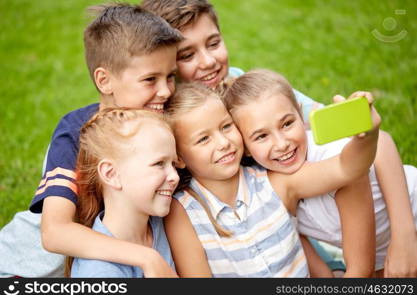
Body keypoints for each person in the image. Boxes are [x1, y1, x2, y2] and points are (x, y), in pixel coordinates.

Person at [0, 3, 183, 277]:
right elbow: (54, 233)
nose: (165, 90)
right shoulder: (76, 132)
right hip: (29, 271)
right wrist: (147, 257)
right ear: (104, 80)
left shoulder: (159, 124)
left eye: (170, 77)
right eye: (150, 79)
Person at [162, 81, 380, 277]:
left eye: (226, 127)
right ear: (179, 158)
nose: (223, 143)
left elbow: (346, 168)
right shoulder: (183, 211)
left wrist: (367, 135)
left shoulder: (273, 182)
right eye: (203, 139)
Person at [223, 69, 417, 277]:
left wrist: (366, 135)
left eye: (287, 123)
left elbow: (361, 271)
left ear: (300, 114)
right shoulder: (267, 190)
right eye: (261, 136)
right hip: (382, 252)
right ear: (245, 147)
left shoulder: (335, 158)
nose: (282, 144)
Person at [140, 0, 324, 122]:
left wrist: (344, 112)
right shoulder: (161, 112)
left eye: (213, 43)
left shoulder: (238, 81)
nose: (208, 62)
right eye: (187, 56)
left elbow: (311, 113)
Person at [69, 108, 179, 277]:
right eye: (159, 163)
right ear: (111, 174)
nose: (175, 176)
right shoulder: (100, 272)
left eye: (174, 164)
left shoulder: (161, 224)